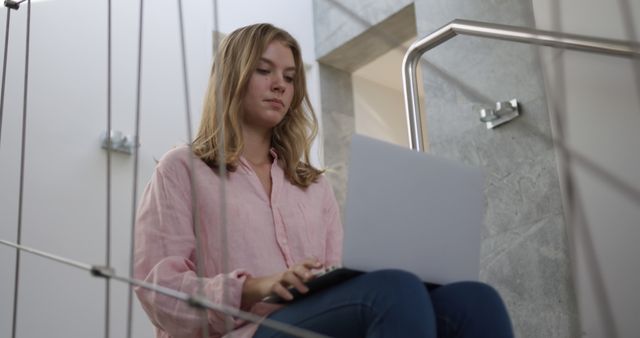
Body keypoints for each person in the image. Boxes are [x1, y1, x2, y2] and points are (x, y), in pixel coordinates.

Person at [134, 23, 514, 338]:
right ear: (232, 78)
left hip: (319, 318)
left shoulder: (311, 185)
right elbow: (158, 291)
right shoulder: (182, 168)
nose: (280, 85)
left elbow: (336, 273)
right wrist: (254, 287)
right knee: (393, 291)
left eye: (290, 77)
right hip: (244, 332)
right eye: (264, 71)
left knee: (475, 299)